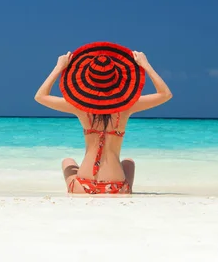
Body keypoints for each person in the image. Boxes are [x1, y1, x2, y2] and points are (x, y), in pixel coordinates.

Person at [34, 41, 172, 195]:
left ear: (86, 82)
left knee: (68, 161)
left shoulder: (80, 108)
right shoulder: (126, 107)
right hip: (117, 187)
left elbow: (40, 96)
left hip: (83, 187)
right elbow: (165, 94)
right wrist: (145, 65)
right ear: (118, 81)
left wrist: (59, 67)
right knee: (128, 162)